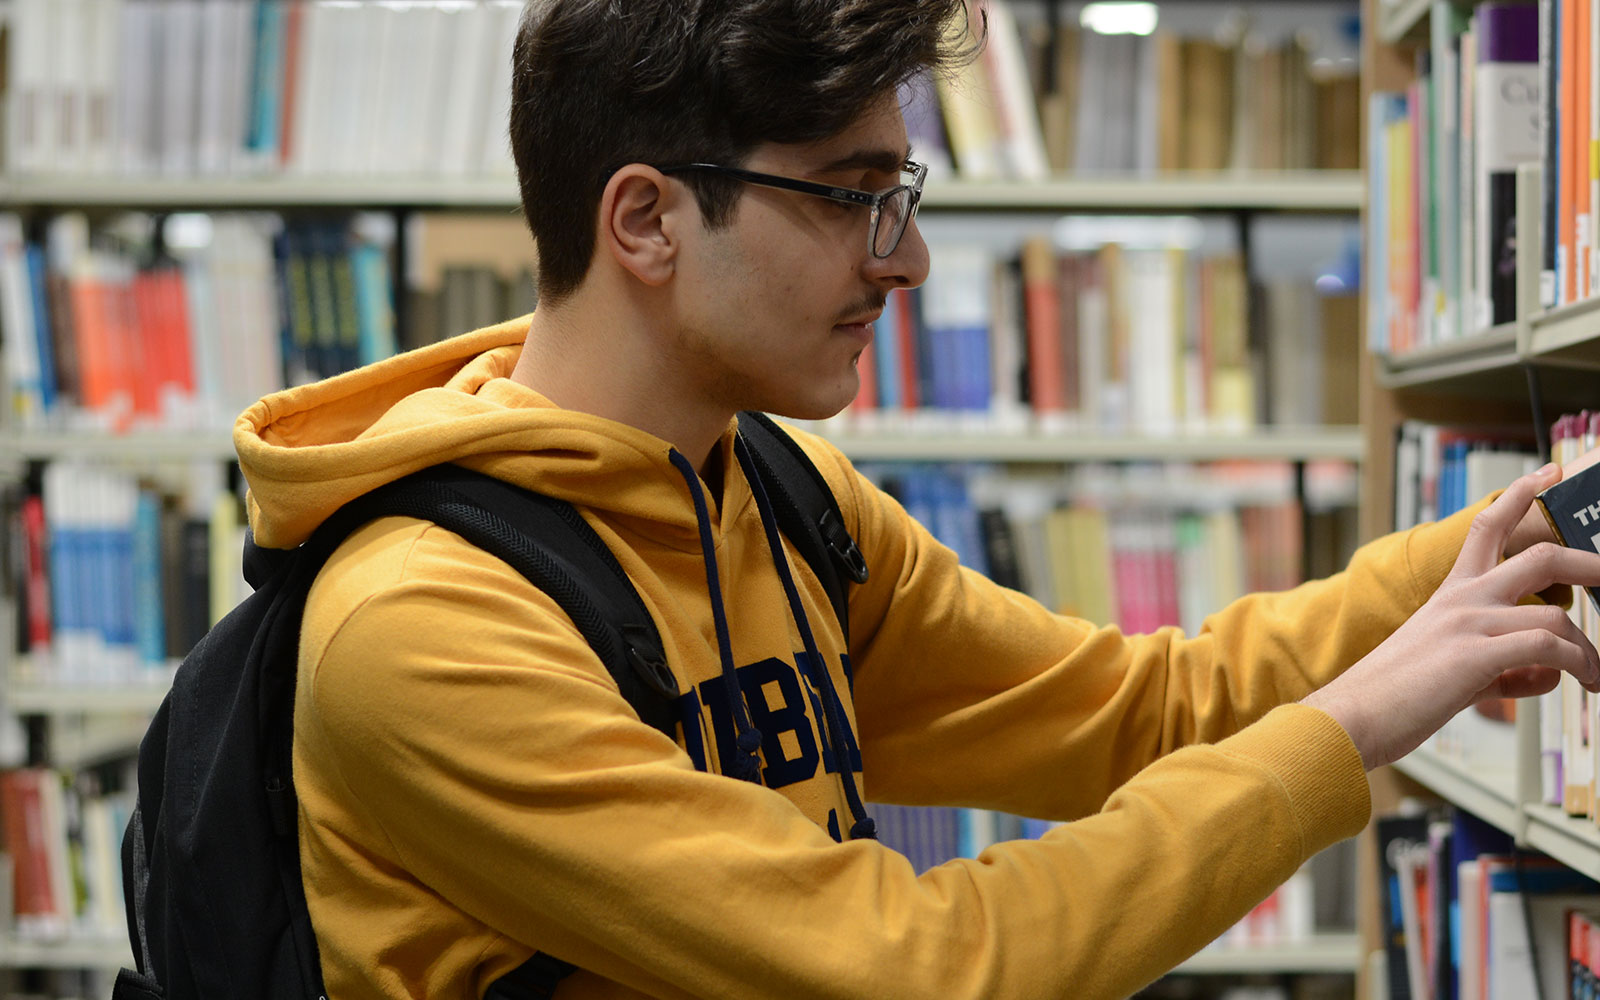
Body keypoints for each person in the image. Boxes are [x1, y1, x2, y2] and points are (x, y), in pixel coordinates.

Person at [233, 2, 1600, 997]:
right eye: (850, 197)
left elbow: (1134, 713)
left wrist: (1524, 528)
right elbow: (916, 971)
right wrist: (1350, 724)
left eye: (902, 193)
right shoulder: (423, 627)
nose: (913, 261)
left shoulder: (784, 498)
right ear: (644, 220)